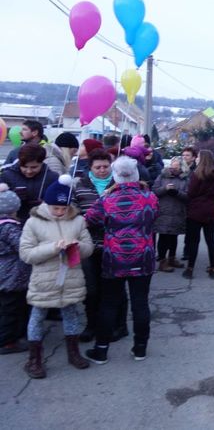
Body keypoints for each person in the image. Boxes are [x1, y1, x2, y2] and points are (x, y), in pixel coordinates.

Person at [84, 156, 159, 364]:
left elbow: (89, 220)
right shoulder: (149, 197)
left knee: (108, 303)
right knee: (140, 303)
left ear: (115, 175)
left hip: (114, 258)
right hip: (142, 257)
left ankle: (101, 350)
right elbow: (154, 216)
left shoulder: (106, 199)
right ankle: (140, 349)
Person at [20, 176, 94, 378]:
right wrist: (53, 248)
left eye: (64, 208)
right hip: (44, 280)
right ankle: (34, 359)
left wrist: (78, 246)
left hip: (70, 277)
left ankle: (73, 353)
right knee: (37, 316)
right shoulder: (33, 223)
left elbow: (88, 248)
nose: (60, 212)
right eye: (56, 208)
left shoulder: (78, 220)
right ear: (46, 204)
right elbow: (26, 254)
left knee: (71, 314)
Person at [73, 149, 129, 344]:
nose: (102, 170)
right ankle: (92, 325)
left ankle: (119, 325)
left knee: (115, 288)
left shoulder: (119, 185)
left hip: (114, 245)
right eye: (98, 167)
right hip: (88, 245)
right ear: (90, 168)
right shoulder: (80, 186)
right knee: (91, 289)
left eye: (106, 166)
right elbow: (73, 210)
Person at [0, 184, 31, 355]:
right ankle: (7, 342)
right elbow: (22, 246)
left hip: (4, 273)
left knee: (6, 307)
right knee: (11, 309)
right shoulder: (9, 227)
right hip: (12, 275)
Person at [183, 150, 214, 279]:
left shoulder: (196, 174)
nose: (197, 158)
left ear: (202, 159)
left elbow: (191, 192)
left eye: (198, 156)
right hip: (210, 208)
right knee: (210, 240)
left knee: (194, 241)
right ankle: (213, 268)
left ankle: (190, 268)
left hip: (196, 209)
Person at [0, 143, 59, 224]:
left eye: (34, 167)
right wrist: (12, 196)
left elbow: (60, 203)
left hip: (42, 223)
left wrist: (46, 203)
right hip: (13, 224)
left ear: (42, 162)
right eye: (24, 167)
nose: (29, 171)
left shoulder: (52, 178)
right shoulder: (7, 176)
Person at [152, 156, 189, 273]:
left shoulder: (185, 179)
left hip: (178, 212)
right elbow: (154, 191)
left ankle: (172, 258)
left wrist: (177, 193)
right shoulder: (162, 176)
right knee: (163, 236)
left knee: (174, 236)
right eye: (172, 165)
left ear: (182, 167)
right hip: (163, 211)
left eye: (177, 166)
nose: (174, 167)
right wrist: (165, 189)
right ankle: (162, 261)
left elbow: (188, 196)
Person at [180, 146, 198, 261]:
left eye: (187, 155)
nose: (185, 157)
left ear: (193, 157)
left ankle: (188, 251)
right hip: (181, 200)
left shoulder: (196, 169)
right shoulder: (180, 168)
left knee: (191, 229)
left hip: (192, 202)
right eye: (183, 155)